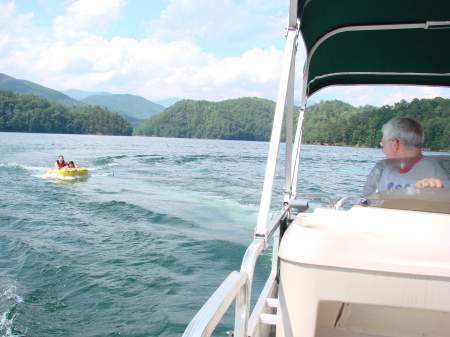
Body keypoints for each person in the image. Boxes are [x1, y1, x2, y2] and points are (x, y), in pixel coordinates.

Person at [364, 117, 449, 194]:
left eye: (383, 145)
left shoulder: (431, 168)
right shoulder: (389, 170)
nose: (383, 150)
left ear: (394, 144)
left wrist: (437, 190)